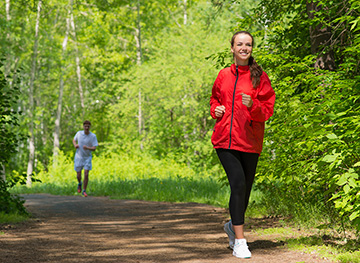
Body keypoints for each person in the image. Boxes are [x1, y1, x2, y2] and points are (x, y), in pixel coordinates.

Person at [210, 31, 275, 259]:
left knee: (245, 191)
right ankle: (239, 240)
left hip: (249, 141)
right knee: (237, 184)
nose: (244, 48)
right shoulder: (223, 75)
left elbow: (267, 110)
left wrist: (253, 104)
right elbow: (215, 99)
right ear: (232, 48)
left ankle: (231, 225)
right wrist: (215, 110)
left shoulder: (260, 77)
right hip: (224, 141)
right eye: (240, 44)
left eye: (248, 44)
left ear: (251, 49)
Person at [72, 120, 98, 197]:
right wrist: (75, 145)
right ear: (83, 127)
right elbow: (74, 140)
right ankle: (79, 183)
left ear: (90, 127)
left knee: (86, 174)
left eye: (88, 126)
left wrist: (87, 148)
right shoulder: (79, 133)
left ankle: (84, 190)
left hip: (87, 157)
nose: (86, 128)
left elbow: (94, 148)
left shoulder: (93, 136)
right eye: (85, 126)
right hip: (79, 156)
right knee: (78, 175)